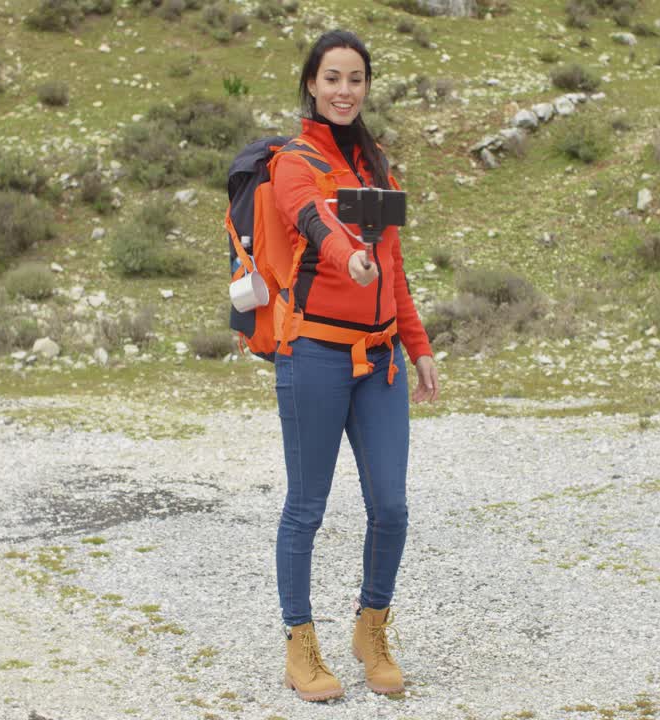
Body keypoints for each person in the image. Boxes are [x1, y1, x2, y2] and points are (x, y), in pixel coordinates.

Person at [270, 29, 440, 702]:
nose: (344, 90)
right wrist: (348, 255)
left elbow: (393, 269)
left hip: (382, 361)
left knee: (392, 506)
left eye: (356, 79)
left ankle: (371, 630)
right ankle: (299, 642)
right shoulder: (294, 160)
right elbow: (310, 218)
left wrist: (419, 346)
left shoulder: (378, 167)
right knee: (306, 508)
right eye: (332, 78)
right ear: (311, 83)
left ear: (366, 87)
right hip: (314, 353)